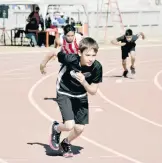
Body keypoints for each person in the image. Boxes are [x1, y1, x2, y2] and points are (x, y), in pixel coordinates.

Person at [46, 37, 103, 157]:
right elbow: (54, 53)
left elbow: (93, 91)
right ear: (79, 53)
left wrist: (84, 82)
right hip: (64, 91)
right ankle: (56, 128)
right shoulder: (70, 58)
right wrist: (42, 65)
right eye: (87, 55)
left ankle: (66, 143)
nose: (91, 59)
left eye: (93, 55)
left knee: (79, 129)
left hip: (81, 95)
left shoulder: (97, 67)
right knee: (69, 125)